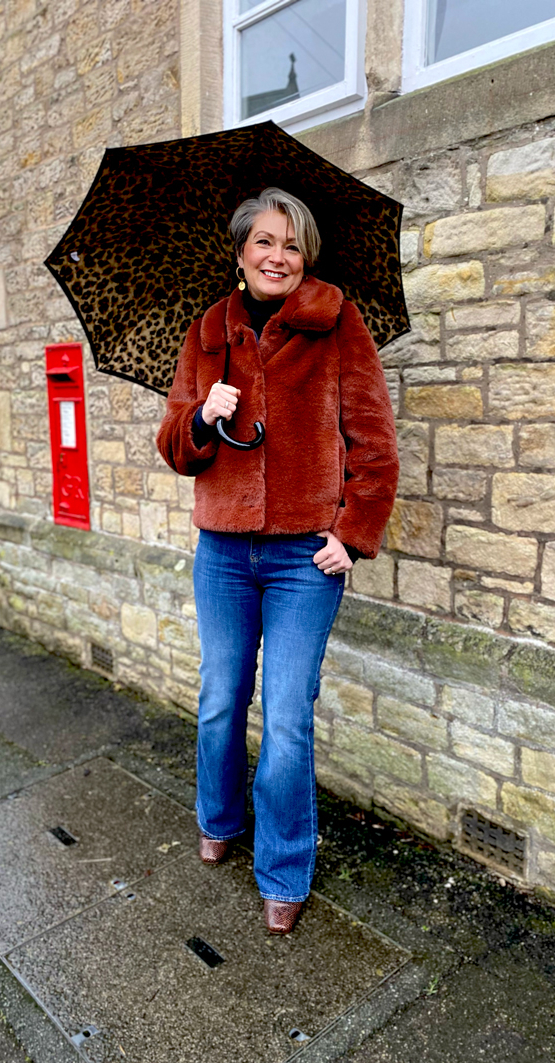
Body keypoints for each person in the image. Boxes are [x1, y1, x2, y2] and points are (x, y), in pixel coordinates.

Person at [156, 187, 398, 934]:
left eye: (292, 245)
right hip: (223, 550)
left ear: (306, 257)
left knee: (288, 715)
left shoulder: (337, 321)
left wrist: (352, 534)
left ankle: (284, 868)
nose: (278, 256)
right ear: (240, 254)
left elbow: (375, 441)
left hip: (304, 559)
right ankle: (218, 817)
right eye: (265, 241)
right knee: (222, 697)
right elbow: (173, 446)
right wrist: (203, 415)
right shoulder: (207, 332)